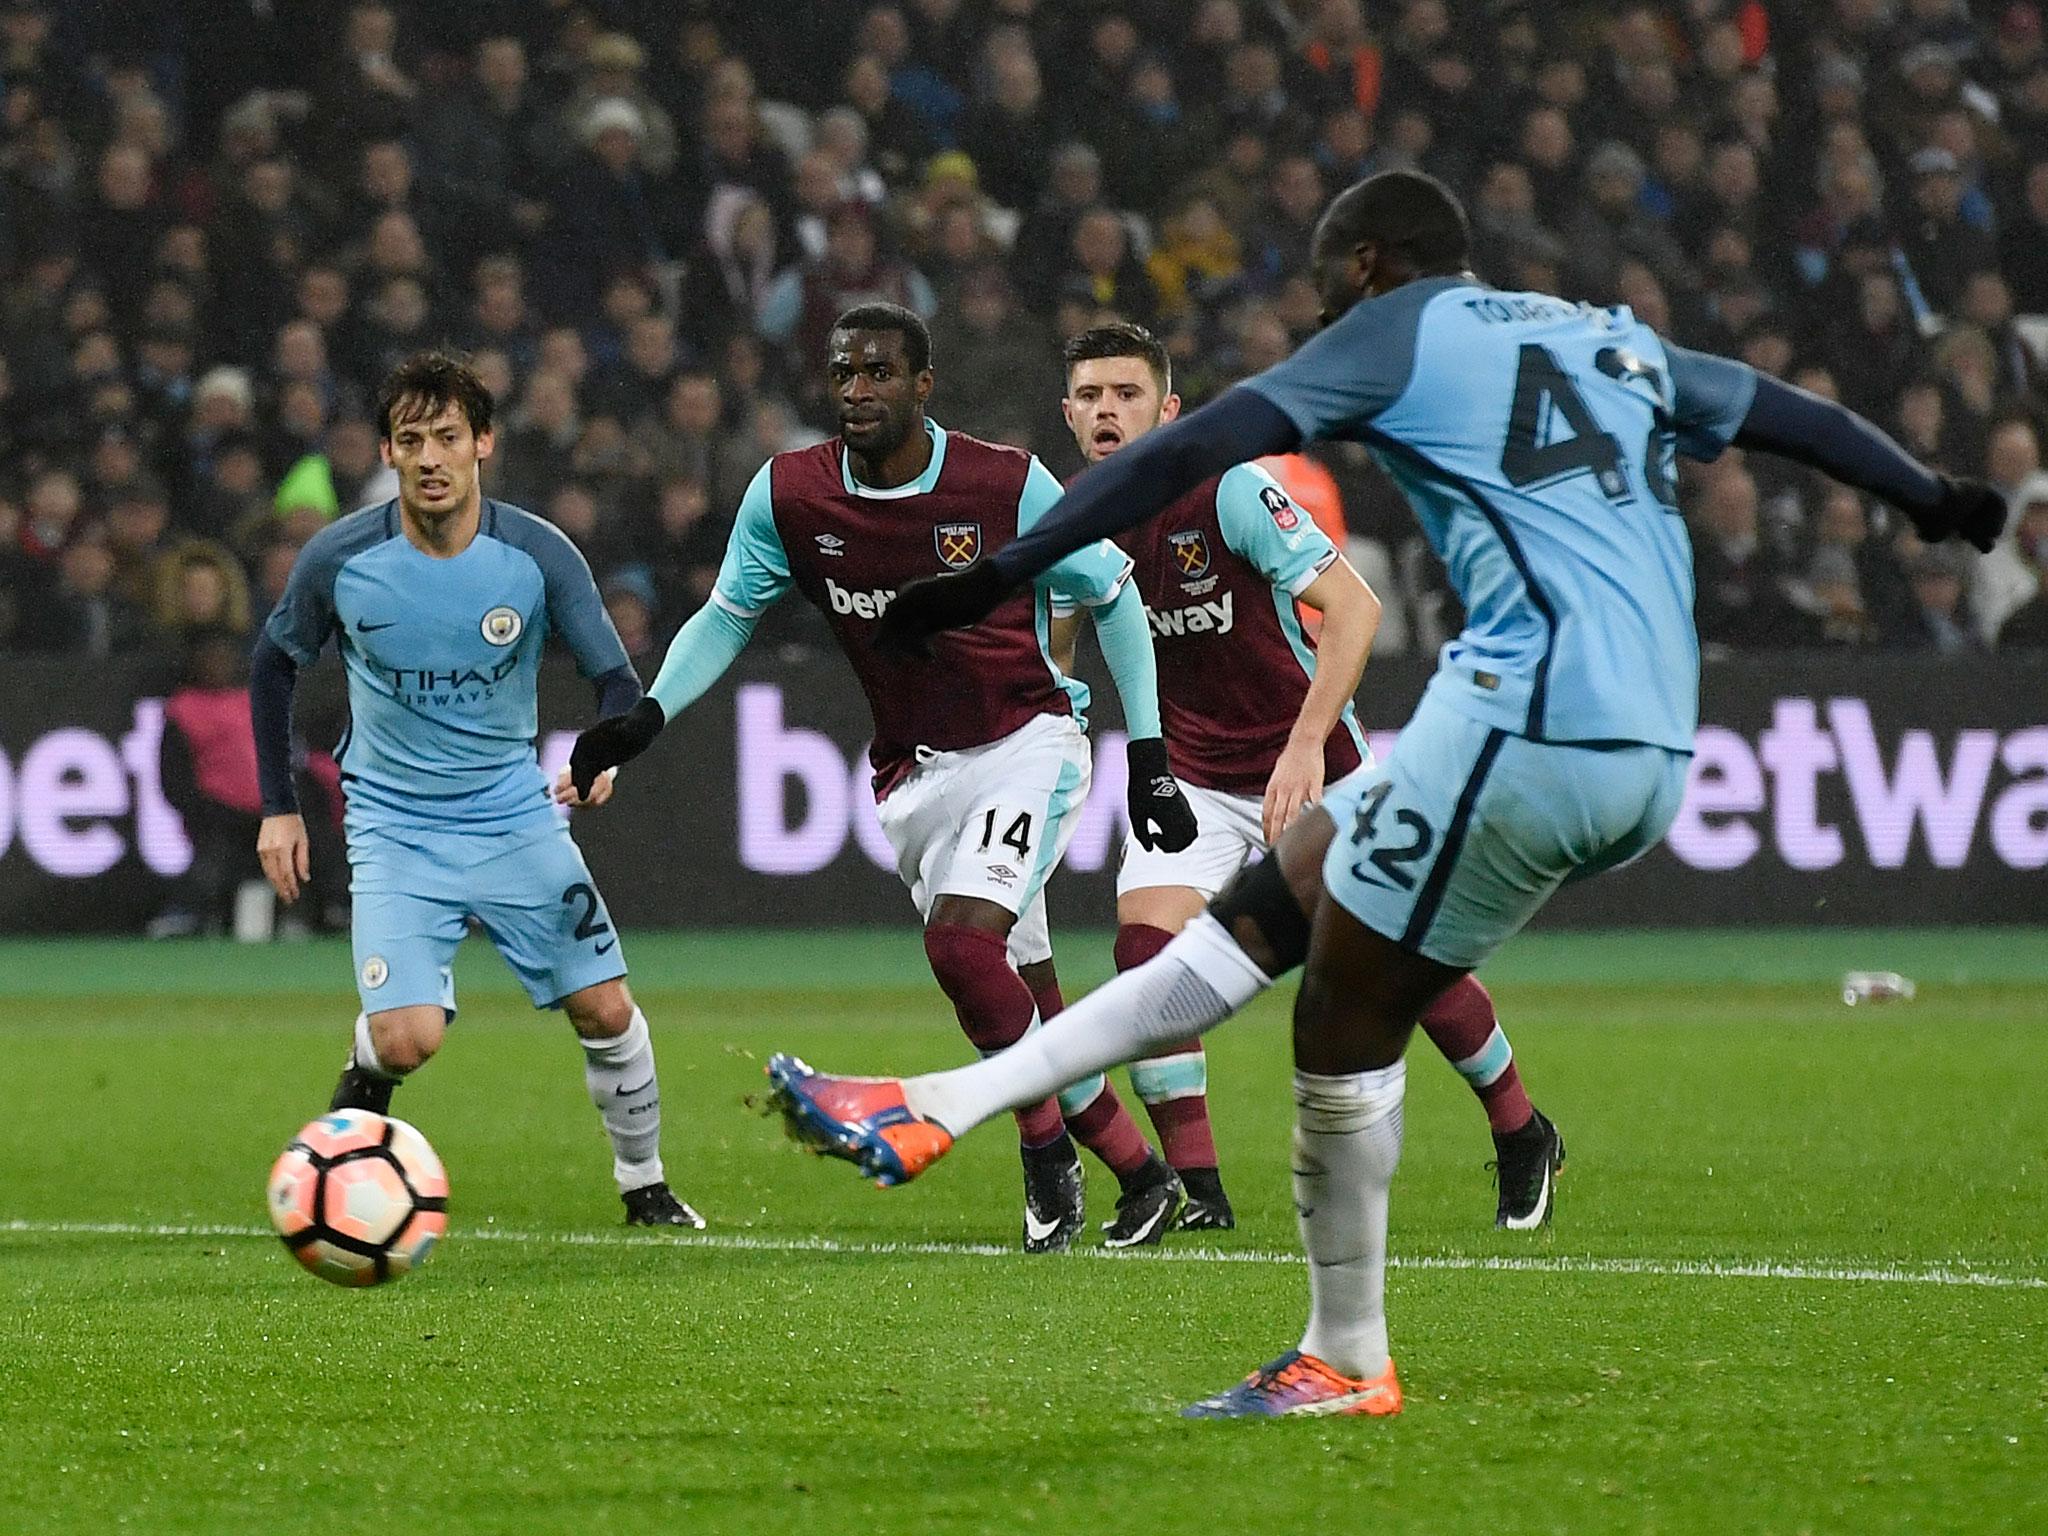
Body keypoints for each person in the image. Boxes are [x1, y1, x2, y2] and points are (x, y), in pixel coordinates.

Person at [756, 171, 2005, 1417]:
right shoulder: (1606, 338)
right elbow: (1785, 413)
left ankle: (1346, 1355)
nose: (1314, 302)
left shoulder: (1397, 328)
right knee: (1261, 919)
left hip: (1533, 715)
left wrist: (1010, 563)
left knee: (1340, 1011)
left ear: (1363, 264)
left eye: (1319, 275)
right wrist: (1928, 497)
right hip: (1638, 734)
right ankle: (939, 1105)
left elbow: (1198, 444)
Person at [569, 303, 1195, 1253]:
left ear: (922, 385)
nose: (858, 391)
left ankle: (1043, 1150)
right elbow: (728, 613)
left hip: (1028, 741)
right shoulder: (790, 494)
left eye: (879, 373)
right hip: (912, 774)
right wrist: (648, 715)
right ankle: (1142, 1176)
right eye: (844, 375)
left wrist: (1145, 756)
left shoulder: (1003, 483)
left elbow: (1111, 594)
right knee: (1018, 981)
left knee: (960, 948)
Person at [1055, 321, 1562, 1233]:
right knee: (1147, 959)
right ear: (1068, 414)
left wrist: (1304, 743)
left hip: (1312, 768)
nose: (1106, 411)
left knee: (1395, 963)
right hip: (1197, 782)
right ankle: (1199, 1190)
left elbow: (1357, 610)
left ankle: (1522, 1129)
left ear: (1168, 410)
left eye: (1126, 394)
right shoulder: (1071, 520)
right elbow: (1057, 648)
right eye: (1090, 396)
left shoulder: (1233, 488)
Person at [249, 352, 704, 1231]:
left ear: (482, 443)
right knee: (407, 1040)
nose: (430, 457)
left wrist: (604, 749)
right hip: (393, 826)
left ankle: (644, 1185)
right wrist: (279, 805)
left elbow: (615, 678)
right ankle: (368, 1071)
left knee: (606, 1007)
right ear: (386, 451)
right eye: (411, 438)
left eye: (448, 437)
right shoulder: (340, 559)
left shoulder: (534, 555)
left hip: (512, 815)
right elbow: (273, 666)